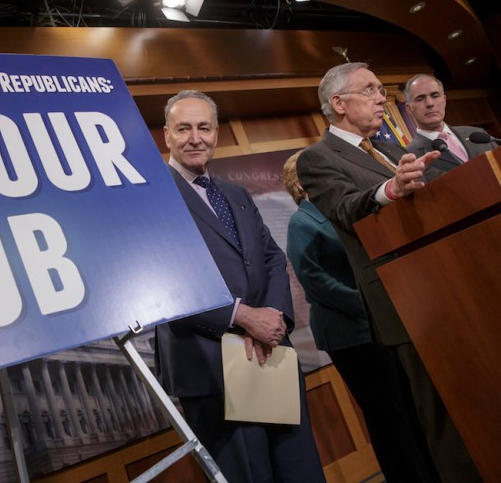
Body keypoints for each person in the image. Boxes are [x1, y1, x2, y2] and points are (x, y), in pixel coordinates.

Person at [296, 62, 482, 482]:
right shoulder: (317, 158)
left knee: (476, 400)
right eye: (371, 90)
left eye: (382, 89)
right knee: (444, 417)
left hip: (451, 291)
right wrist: (390, 189)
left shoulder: (394, 149)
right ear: (339, 103)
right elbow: (345, 208)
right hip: (404, 304)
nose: (383, 98)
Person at [154, 90, 325, 483]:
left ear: (216, 132)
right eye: (184, 129)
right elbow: (164, 280)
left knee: (299, 468)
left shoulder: (235, 194)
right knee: (248, 474)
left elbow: (271, 258)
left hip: (270, 352)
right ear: (167, 135)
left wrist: (276, 317)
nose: (195, 138)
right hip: (210, 364)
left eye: (204, 127)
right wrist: (243, 316)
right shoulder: (151, 198)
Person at [282, 150, 438, 482]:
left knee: (407, 408)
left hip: (378, 324)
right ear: (300, 183)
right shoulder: (303, 221)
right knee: (386, 417)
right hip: (349, 334)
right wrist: (369, 301)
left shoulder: (339, 209)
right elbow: (314, 279)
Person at [404, 73, 497, 170]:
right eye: (420, 99)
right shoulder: (410, 156)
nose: (430, 103)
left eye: (435, 96)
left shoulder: (477, 134)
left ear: (444, 100)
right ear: (409, 108)